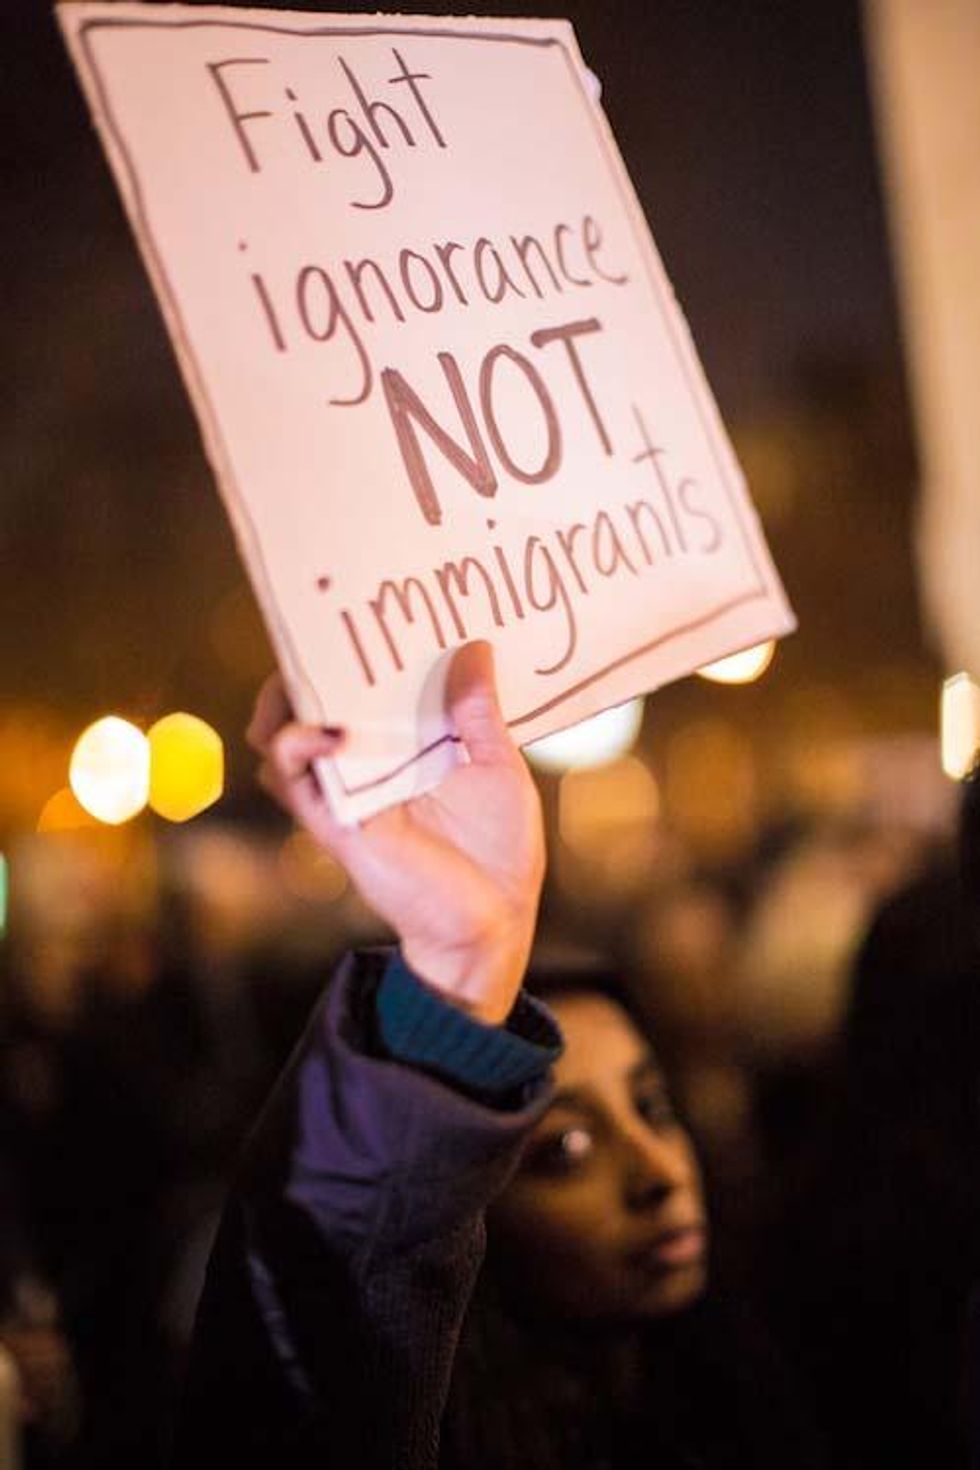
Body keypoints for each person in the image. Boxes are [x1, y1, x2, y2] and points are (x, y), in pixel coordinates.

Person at [173, 643, 824, 1467]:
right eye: (566, 1149)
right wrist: (459, 970)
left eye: (653, 1108)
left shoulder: (774, 1381)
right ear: (470, 1209)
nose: (658, 1174)